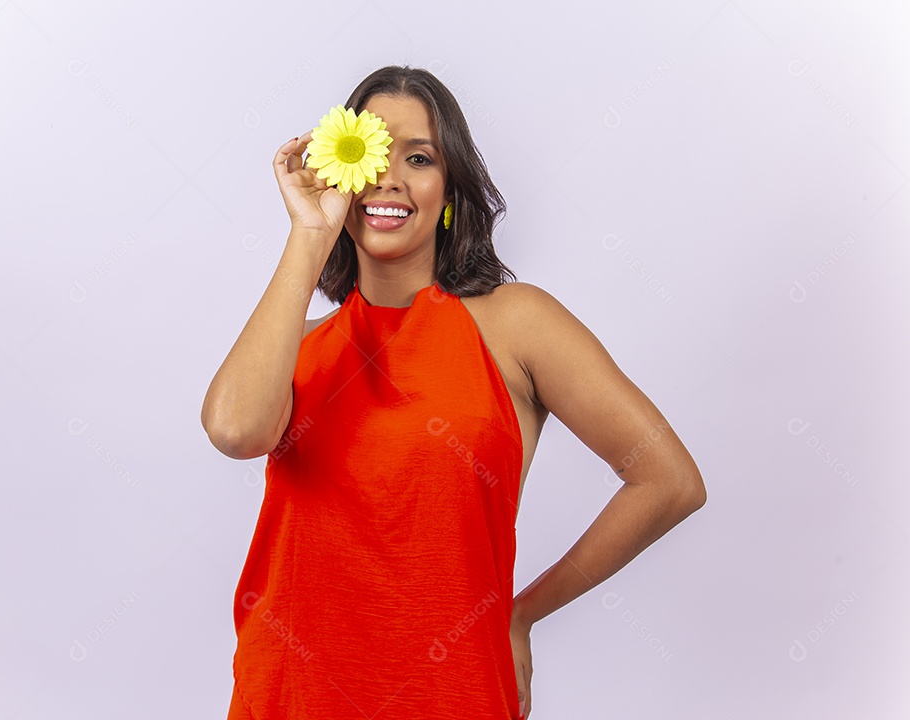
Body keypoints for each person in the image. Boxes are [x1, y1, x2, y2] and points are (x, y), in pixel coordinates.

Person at [201, 64, 706, 720]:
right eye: (371, 153)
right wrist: (309, 234)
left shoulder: (515, 324)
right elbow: (235, 430)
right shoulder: (295, 345)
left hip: (453, 696)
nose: (388, 178)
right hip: (288, 697)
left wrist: (521, 614)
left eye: (419, 157)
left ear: (449, 191)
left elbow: (669, 481)